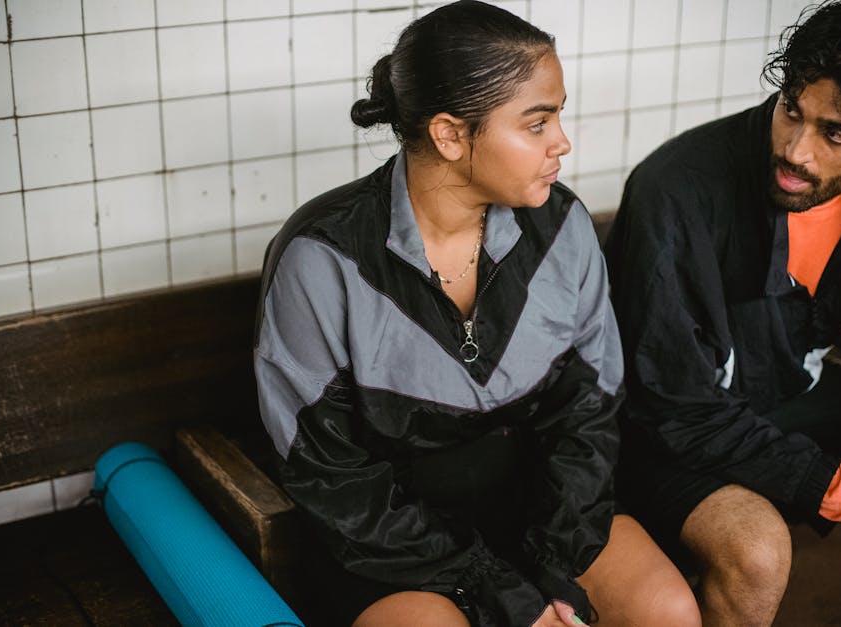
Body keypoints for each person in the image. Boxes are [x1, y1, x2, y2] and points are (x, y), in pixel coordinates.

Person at [253, 2, 700, 626]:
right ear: (450, 134)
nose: (562, 143)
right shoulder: (322, 258)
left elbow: (589, 411)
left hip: (543, 511)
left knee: (669, 610)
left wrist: (548, 568)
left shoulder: (562, 226)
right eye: (537, 123)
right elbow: (333, 476)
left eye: (557, 117)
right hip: (391, 544)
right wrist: (496, 588)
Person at [603, 1, 841, 625]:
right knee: (757, 552)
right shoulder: (675, 191)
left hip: (791, 394)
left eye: (836, 133)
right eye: (791, 110)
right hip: (661, 435)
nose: (797, 151)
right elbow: (672, 406)